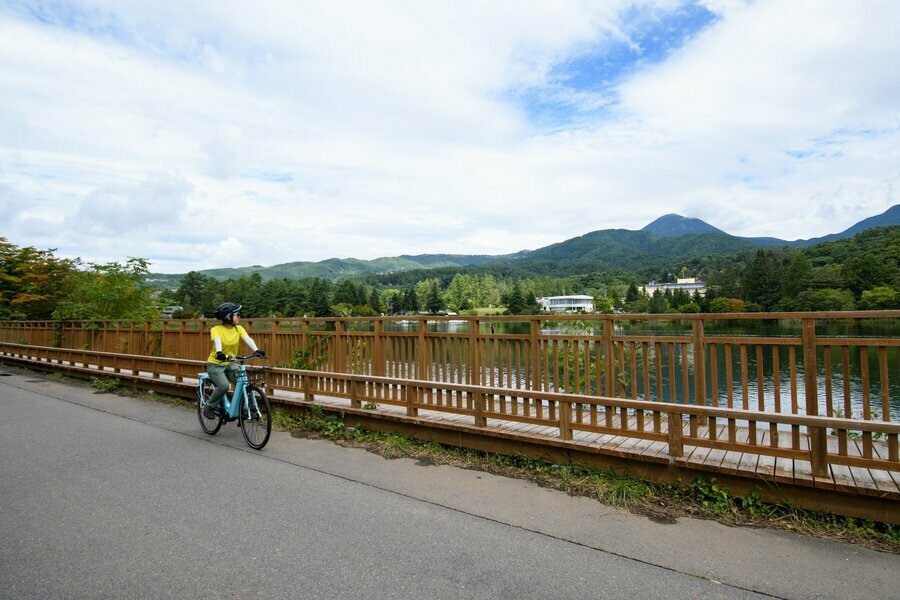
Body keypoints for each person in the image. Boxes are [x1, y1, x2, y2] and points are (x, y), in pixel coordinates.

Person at [204, 302, 265, 418]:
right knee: (224, 386)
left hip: (230, 363)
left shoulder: (239, 329)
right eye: (237, 315)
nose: (239, 317)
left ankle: (242, 408)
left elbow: (247, 339)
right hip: (215, 364)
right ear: (228, 317)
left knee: (242, 382)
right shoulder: (216, 329)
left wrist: (256, 350)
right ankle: (209, 407)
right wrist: (219, 353)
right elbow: (217, 341)